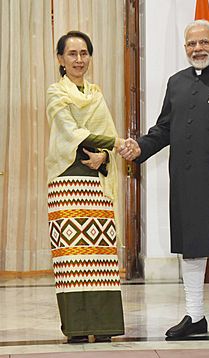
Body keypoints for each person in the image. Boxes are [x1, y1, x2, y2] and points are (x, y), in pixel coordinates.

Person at [119, 20, 209, 344]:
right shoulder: (176, 83)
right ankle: (195, 316)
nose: (198, 49)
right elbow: (165, 128)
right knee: (192, 253)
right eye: (191, 44)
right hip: (184, 186)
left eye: (203, 42)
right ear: (185, 48)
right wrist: (140, 146)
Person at [46, 31, 125, 343]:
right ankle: (77, 328)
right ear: (61, 60)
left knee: (100, 256)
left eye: (84, 53)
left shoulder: (96, 94)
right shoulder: (56, 93)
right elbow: (70, 131)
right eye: (72, 54)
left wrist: (104, 156)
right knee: (72, 257)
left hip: (97, 181)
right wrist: (115, 144)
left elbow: (104, 129)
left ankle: (104, 327)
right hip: (67, 179)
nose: (79, 60)